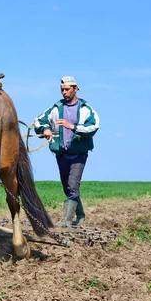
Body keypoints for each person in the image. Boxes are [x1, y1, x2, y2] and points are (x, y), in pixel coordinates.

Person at [34, 76, 100, 227]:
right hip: (61, 154)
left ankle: (66, 221)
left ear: (75, 89)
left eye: (67, 89)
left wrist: (73, 127)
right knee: (67, 187)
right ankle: (81, 214)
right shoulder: (56, 108)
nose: (64, 92)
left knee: (72, 185)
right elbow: (39, 121)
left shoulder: (85, 109)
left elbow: (94, 126)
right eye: (62, 90)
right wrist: (46, 129)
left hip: (79, 154)